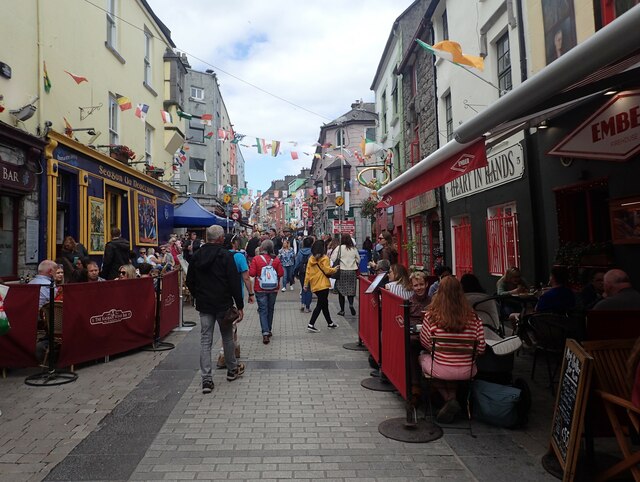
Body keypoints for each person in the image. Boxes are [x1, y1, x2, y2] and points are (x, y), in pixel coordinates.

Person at [186, 225, 245, 394]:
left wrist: (198, 294)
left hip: (205, 304)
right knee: (227, 337)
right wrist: (239, 305)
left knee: (206, 340)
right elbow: (234, 283)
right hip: (223, 304)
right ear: (220, 239)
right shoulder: (226, 256)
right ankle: (232, 370)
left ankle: (206, 379)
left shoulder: (196, 256)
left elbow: (190, 280)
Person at [419, 276, 486, 424]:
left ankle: (449, 399)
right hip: (467, 370)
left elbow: (424, 342)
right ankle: (452, 400)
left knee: (422, 357)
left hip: (440, 369)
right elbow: (481, 348)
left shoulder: (431, 317)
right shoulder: (474, 318)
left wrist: (440, 352)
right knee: (451, 367)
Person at [216, 233, 255, 368]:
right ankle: (224, 355)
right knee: (229, 323)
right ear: (234, 243)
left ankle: (235, 347)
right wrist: (251, 293)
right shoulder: (239, 256)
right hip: (234, 293)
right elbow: (246, 277)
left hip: (219, 292)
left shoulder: (219, 255)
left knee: (230, 322)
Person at [249, 239, 284, 344]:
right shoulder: (276, 259)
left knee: (263, 310)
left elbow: (252, 273)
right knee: (270, 309)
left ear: (262, 248)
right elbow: (281, 273)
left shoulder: (256, 259)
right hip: (273, 288)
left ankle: (265, 332)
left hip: (260, 288)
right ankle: (268, 329)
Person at [304, 239, 339, 333]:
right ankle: (311, 324)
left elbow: (307, 272)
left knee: (324, 304)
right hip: (323, 285)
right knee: (320, 304)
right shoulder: (325, 258)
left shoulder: (311, 259)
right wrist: (335, 269)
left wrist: (305, 284)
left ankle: (330, 323)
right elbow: (327, 270)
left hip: (314, 284)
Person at [331, 234, 361, 316]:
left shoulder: (339, 248)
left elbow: (333, 258)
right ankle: (351, 304)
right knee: (351, 290)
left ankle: (342, 310)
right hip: (352, 272)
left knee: (341, 291)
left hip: (342, 271)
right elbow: (358, 259)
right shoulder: (354, 249)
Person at [294, 237, 314, 313]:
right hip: (310, 273)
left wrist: (295, 273)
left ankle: (302, 303)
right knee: (309, 289)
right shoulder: (312, 252)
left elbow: (297, 263)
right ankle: (307, 306)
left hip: (302, 272)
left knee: (303, 288)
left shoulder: (300, 252)